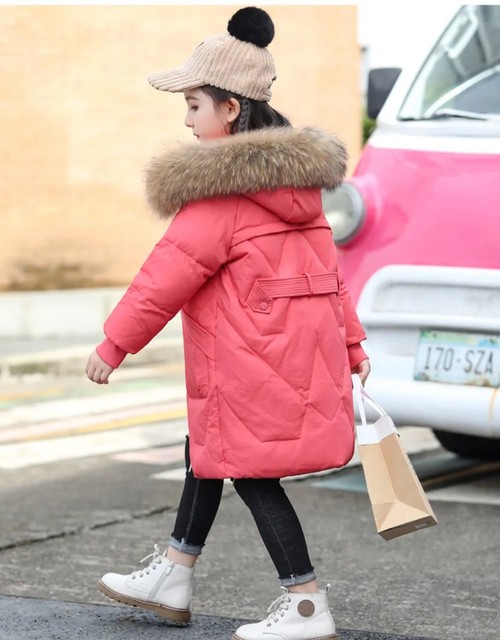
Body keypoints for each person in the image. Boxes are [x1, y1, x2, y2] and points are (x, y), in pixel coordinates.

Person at [85, 7, 370, 640]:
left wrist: (114, 343)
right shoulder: (302, 195)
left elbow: (165, 275)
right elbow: (330, 278)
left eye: (194, 105)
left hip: (245, 363)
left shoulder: (221, 196)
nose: (187, 121)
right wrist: (352, 345)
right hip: (286, 361)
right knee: (207, 450)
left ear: (231, 109)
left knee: (250, 473)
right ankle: (173, 573)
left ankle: (306, 604)